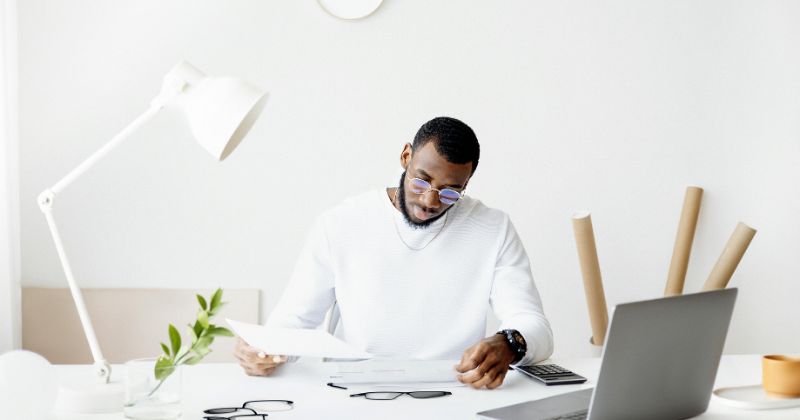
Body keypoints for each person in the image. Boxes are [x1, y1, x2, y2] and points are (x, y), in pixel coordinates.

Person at [234, 117, 553, 389]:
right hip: (354, 392)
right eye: (422, 180)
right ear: (405, 156)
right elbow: (294, 321)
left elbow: (534, 325)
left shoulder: (492, 228)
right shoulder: (342, 223)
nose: (430, 201)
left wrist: (509, 343)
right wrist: (263, 350)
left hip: (453, 394)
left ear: (466, 184)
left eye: (450, 191)